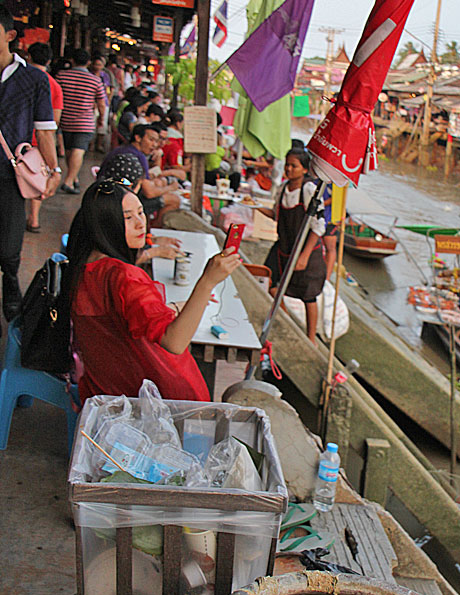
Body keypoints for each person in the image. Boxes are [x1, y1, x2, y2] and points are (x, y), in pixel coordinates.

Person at [62, 180, 240, 404]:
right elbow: (174, 342)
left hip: (108, 387)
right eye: (128, 217)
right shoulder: (124, 276)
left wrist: (176, 307)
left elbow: (119, 316)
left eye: (141, 212)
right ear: (105, 223)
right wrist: (207, 282)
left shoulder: (85, 265)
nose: (140, 224)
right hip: (156, 398)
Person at [0, 5, 62, 325]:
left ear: (10, 35)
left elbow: (44, 130)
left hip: (9, 174)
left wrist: (54, 170)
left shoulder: (34, 79)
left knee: (8, 247)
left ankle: (11, 288)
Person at [261, 148, 326, 343]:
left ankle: (311, 338)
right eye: (287, 165)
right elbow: (277, 214)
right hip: (284, 247)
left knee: (308, 295)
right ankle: (287, 320)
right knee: (271, 282)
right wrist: (255, 208)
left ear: (304, 169)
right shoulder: (282, 189)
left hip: (306, 249)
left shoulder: (308, 190)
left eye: (294, 166)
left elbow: (319, 225)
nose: (289, 169)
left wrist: (304, 255)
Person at [97, 124, 183, 223]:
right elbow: (149, 193)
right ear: (138, 138)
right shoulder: (138, 156)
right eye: (151, 140)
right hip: (118, 203)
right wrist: (171, 187)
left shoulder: (125, 149)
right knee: (174, 200)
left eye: (156, 141)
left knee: (159, 183)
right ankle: (153, 231)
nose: (154, 145)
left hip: (105, 195)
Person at [56, 48, 107, 193]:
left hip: (65, 119)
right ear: (89, 62)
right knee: (78, 151)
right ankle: (69, 181)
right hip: (84, 121)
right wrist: (101, 119)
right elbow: (101, 103)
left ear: (72, 60)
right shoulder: (95, 80)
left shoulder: (61, 76)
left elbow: (55, 96)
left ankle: (74, 177)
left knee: (69, 150)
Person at [26, 41, 64, 233]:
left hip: (14, 139)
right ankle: (33, 218)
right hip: (39, 141)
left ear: (29, 57)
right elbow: (53, 123)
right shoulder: (54, 86)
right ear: (49, 61)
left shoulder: (19, 79)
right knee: (36, 177)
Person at [89, 53, 113, 153]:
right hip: (91, 103)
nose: (97, 67)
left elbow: (110, 89)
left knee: (102, 125)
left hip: (104, 103)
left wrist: (108, 100)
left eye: (99, 65)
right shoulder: (90, 75)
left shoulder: (105, 76)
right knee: (91, 124)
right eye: (96, 64)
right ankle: (90, 144)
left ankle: (99, 144)